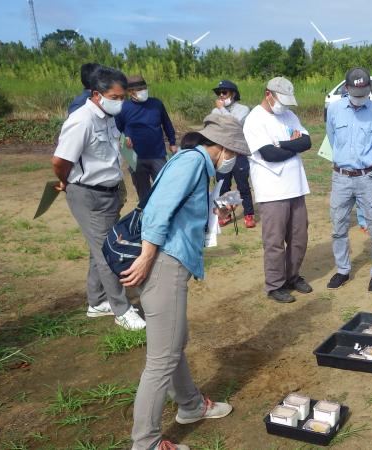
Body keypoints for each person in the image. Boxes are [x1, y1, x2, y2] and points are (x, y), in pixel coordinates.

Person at [120, 114, 246, 449]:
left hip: (169, 262)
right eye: (234, 152)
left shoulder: (195, 164)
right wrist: (147, 257)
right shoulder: (192, 162)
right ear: (221, 147)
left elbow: (180, 209)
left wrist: (213, 214)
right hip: (163, 264)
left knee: (174, 341)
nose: (234, 159)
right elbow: (159, 210)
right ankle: (145, 443)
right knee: (161, 360)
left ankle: (190, 406)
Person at [51, 66, 146, 331]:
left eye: (122, 97)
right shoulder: (82, 120)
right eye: (115, 97)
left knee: (99, 248)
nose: (120, 102)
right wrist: (66, 180)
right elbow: (60, 160)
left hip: (109, 193)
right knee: (108, 253)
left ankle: (96, 301)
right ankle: (121, 309)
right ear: (96, 94)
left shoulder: (107, 118)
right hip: (89, 195)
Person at [243, 77, 313, 304]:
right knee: (274, 241)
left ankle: (293, 276)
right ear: (268, 94)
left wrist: (282, 144)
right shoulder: (254, 119)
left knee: (299, 237)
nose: (284, 106)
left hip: (296, 186)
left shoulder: (289, 115)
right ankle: (275, 285)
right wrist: (291, 144)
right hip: (272, 189)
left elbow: (307, 142)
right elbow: (269, 155)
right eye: (281, 100)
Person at [325, 67, 372, 293]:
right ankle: (343, 270)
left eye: (363, 94)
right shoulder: (334, 110)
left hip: (367, 178)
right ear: (346, 89)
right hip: (341, 178)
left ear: (369, 89)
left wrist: (366, 165)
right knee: (338, 226)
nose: (359, 99)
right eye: (355, 94)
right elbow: (333, 140)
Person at [115, 75, 177, 203]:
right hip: (135, 157)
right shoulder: (123, 108)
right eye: (139, 89)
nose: (143, 91)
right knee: (144, 194)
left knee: (165, 189)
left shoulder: (156, 104)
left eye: (144, 88)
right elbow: (115, 131)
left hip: (158, 155)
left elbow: (167, 123)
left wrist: (172, 142)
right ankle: (145, 219)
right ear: (130, 92)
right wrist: (124, 139)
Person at [211, 79, 256, 228]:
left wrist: (222, 111)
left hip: (239, 152)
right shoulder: (215, 111)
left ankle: (249, 214)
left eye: (224, 92)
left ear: (234, 93)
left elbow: (234, 125)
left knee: (243, 185)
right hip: (223, 154)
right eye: (219, 93)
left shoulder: (243, 109)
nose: (221, 96)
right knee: (223, 185)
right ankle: (225, 214)